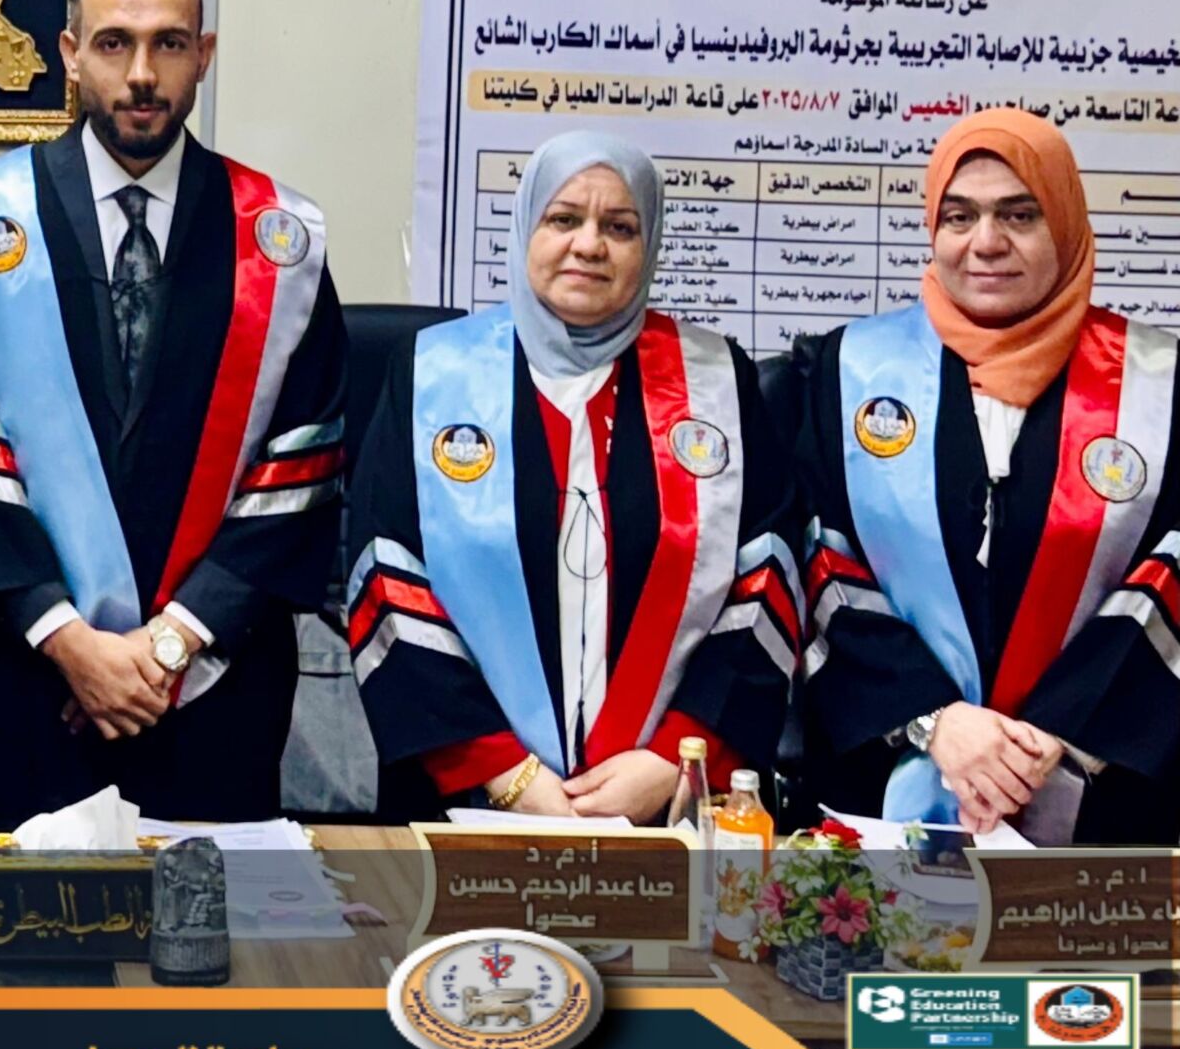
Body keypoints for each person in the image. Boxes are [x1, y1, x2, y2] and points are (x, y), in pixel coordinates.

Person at [0, 0, 347, 828]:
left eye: (170, 44)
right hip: (28, 685)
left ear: (205, 55)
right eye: (115, 43)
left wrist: (167, 647)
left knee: (214, 915)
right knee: (19, 916)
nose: (143, 73)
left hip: (214, 691)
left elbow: (301, 467)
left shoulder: (281, 243)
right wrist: (72, 645)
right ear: (71, 54)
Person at [346, 133, 796, 822]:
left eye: (620, 227)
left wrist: (678, 755)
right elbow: (384, 574)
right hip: (465, 799)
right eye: (563, 219)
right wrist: (503, 771)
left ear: (649, 246)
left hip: (669, 800)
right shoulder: (432, 376)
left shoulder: (716, 383)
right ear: (526, 228)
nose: (589, 245)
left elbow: (766, 575)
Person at [796, 109, 1177, 842]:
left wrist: (1053, 734)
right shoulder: (846, 374)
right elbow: (820, 560)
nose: (986, 242)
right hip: (883, 784)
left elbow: (1172, 576)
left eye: (1019, 215)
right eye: (959, 216)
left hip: (1104, 803)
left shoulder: (1158, 388)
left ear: (1065, 223)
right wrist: (937, 720)